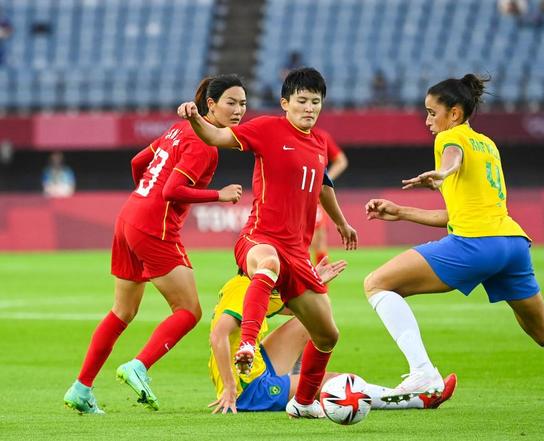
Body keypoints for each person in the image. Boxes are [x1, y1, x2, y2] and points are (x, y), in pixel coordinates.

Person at [363, 74, 544, 428]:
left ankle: (423, 373)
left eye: (431, 112)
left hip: (475, 244)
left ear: (454, 113)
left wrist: (443, 172)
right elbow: (457, 215)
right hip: (512, 244)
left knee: (377, 283)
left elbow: (453, 158)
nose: (427, 120)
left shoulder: (449, 137)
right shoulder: (488, 145)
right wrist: (401, 211)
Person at [177, 67, 358, 419]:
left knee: (327, 335)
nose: (309, 108)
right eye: (302, 101)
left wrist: (341, 222)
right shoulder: (267, 129)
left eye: (315, 102)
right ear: (285, 103)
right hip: (259, 237)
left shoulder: (318, 143)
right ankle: (247, 344)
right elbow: (216, 136)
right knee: (268, 263)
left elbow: (323, 186)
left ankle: (303, 403)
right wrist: (195, 118)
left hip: (298, 254)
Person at [63, 74, 246, 414]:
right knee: (189, 311)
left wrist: (144, 198)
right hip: (153, 227)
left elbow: (137, 162)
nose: (238, 110)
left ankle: (81, 388)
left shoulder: (177, 129)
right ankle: (139, 366)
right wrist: (218, 195)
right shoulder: (205, 146)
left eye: (243, 104)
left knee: (122, 311)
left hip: (128, 217)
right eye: (231, 103)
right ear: (211, 104)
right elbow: (172, 191)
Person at [208, 258, 457, 414]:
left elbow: (298, 308)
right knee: (340, 384)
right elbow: (219, 335)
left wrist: (313, 284)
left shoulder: (251, 285)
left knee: (308, 321)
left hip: (257, 365)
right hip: (249, 388)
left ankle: (295, 385)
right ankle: (417, 400)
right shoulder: (243, 291)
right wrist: (229, 388)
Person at [310, 128, 349, 264]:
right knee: (299, 241)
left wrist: (324, 181)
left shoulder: (320, 136)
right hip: (292, 197)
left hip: (314, 198)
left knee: (319, 239)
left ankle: (320, 278)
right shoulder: (285, 134)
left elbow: (341, 161)